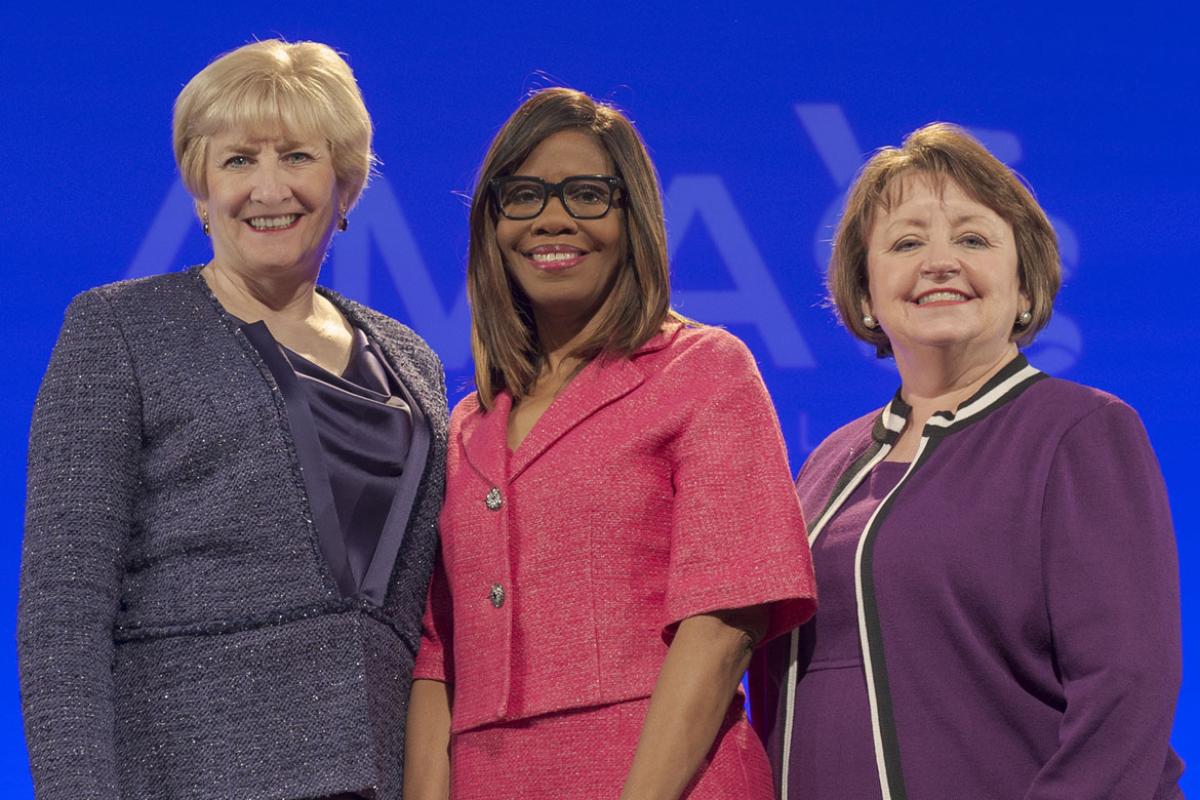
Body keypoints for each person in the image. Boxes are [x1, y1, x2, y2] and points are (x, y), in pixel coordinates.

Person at [18, 40, 446, 800]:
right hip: (183, 774)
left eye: (298, 156)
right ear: (201, 188)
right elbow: (63, 609)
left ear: (345, 183)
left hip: (378, 776)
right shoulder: (121, 331)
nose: (268, 188)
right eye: (239, 160)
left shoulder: (410, 360)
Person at [402, 87, 816, 800]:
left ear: (634, 219)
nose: (552, 218)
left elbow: (723, 624)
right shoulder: (467, 424)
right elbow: (438, 657)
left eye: (587, 195)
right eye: (523, 196)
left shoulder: (704, 370)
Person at [749, 123, 1183, 799]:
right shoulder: (830, 461)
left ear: (1025, 286)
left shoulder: (1079, 431)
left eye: (973, 239)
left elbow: (1124, 690)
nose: (940, 262)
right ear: (864, 293)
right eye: (907, 243)